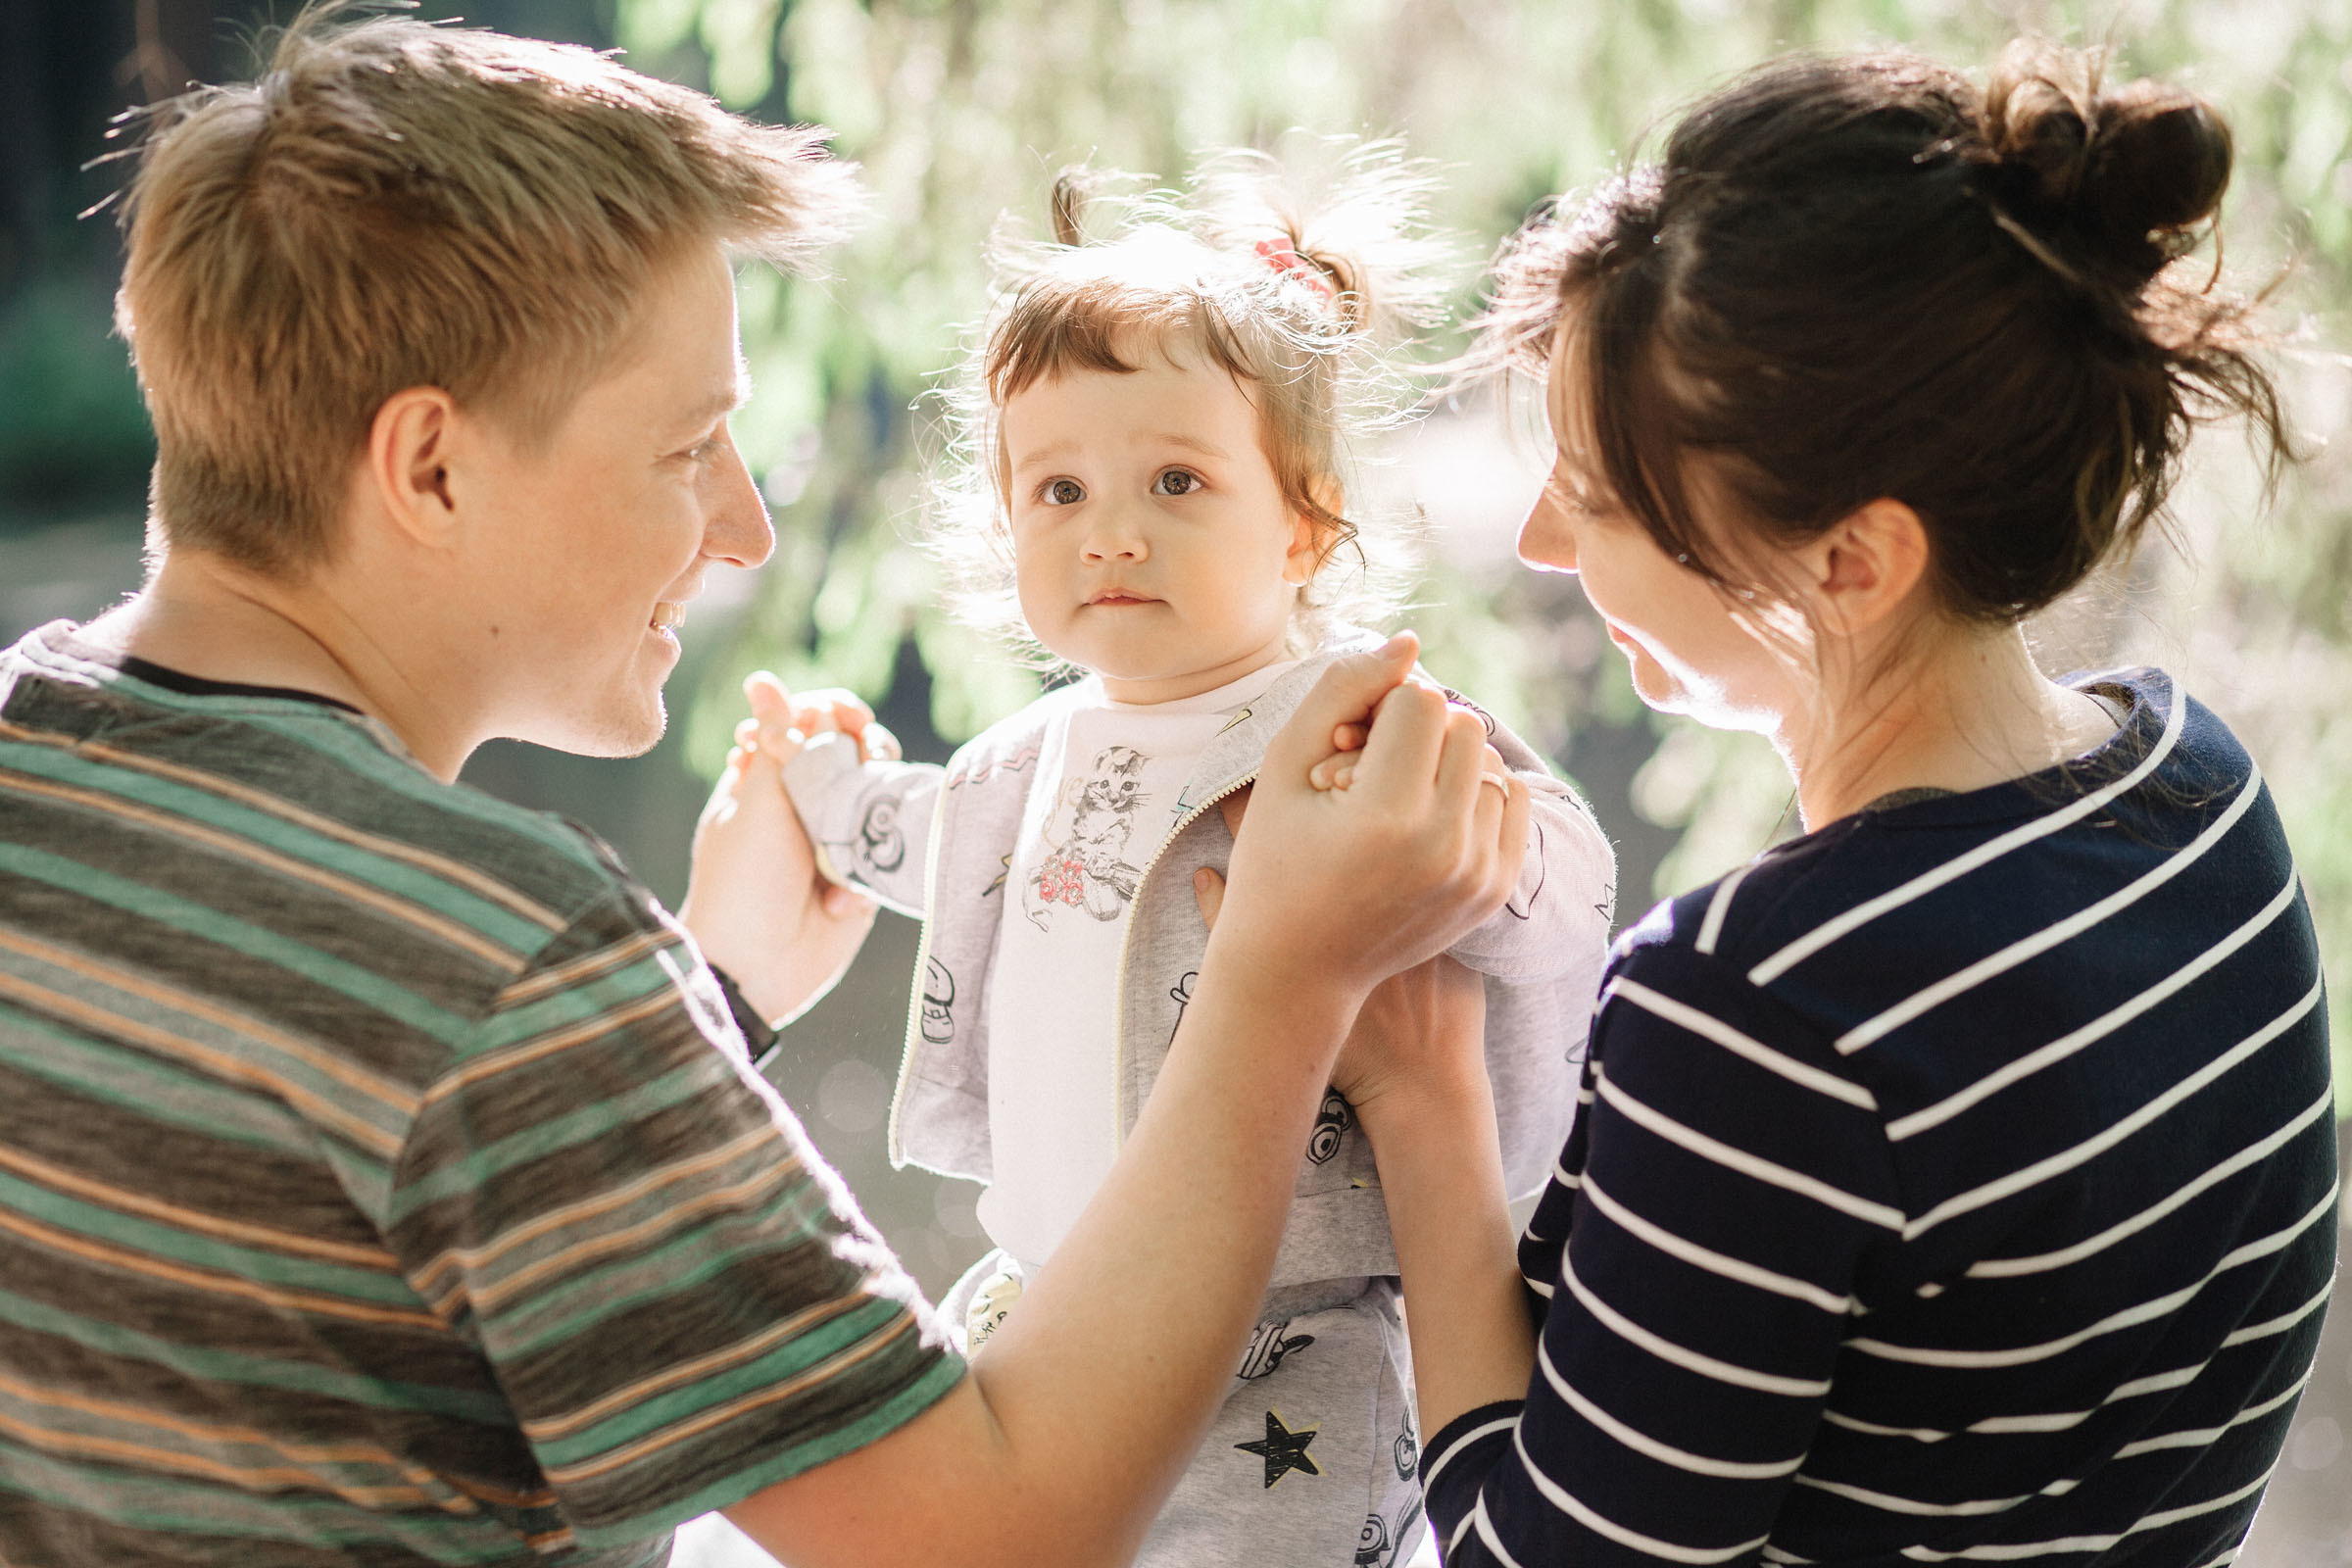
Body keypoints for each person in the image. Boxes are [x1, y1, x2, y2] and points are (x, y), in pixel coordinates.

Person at [0, 11, 1531, 1566]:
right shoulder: (511, 967)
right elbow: (995, 1535)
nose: (746, 530)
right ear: (431, 468)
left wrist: (709, 1007)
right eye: (693, 446)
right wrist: (1288, 968)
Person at [1336, 41, 2334, 1567]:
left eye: (1601, 495)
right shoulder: (2209, 803)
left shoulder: (1755, 1009)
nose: (1541, 540)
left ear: (1853, 563)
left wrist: (1422, 1096)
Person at [769, 150, 1615, 1566]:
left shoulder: (1346, 722)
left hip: (1289, 1343)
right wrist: (825, 795)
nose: (1112, 531)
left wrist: (1484, 855)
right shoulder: (1029, 758)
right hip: (1051, 1296)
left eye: (1175, 480)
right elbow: (943, 851)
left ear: (1302, 521)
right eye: (1057, 492)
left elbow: (1569, 880)